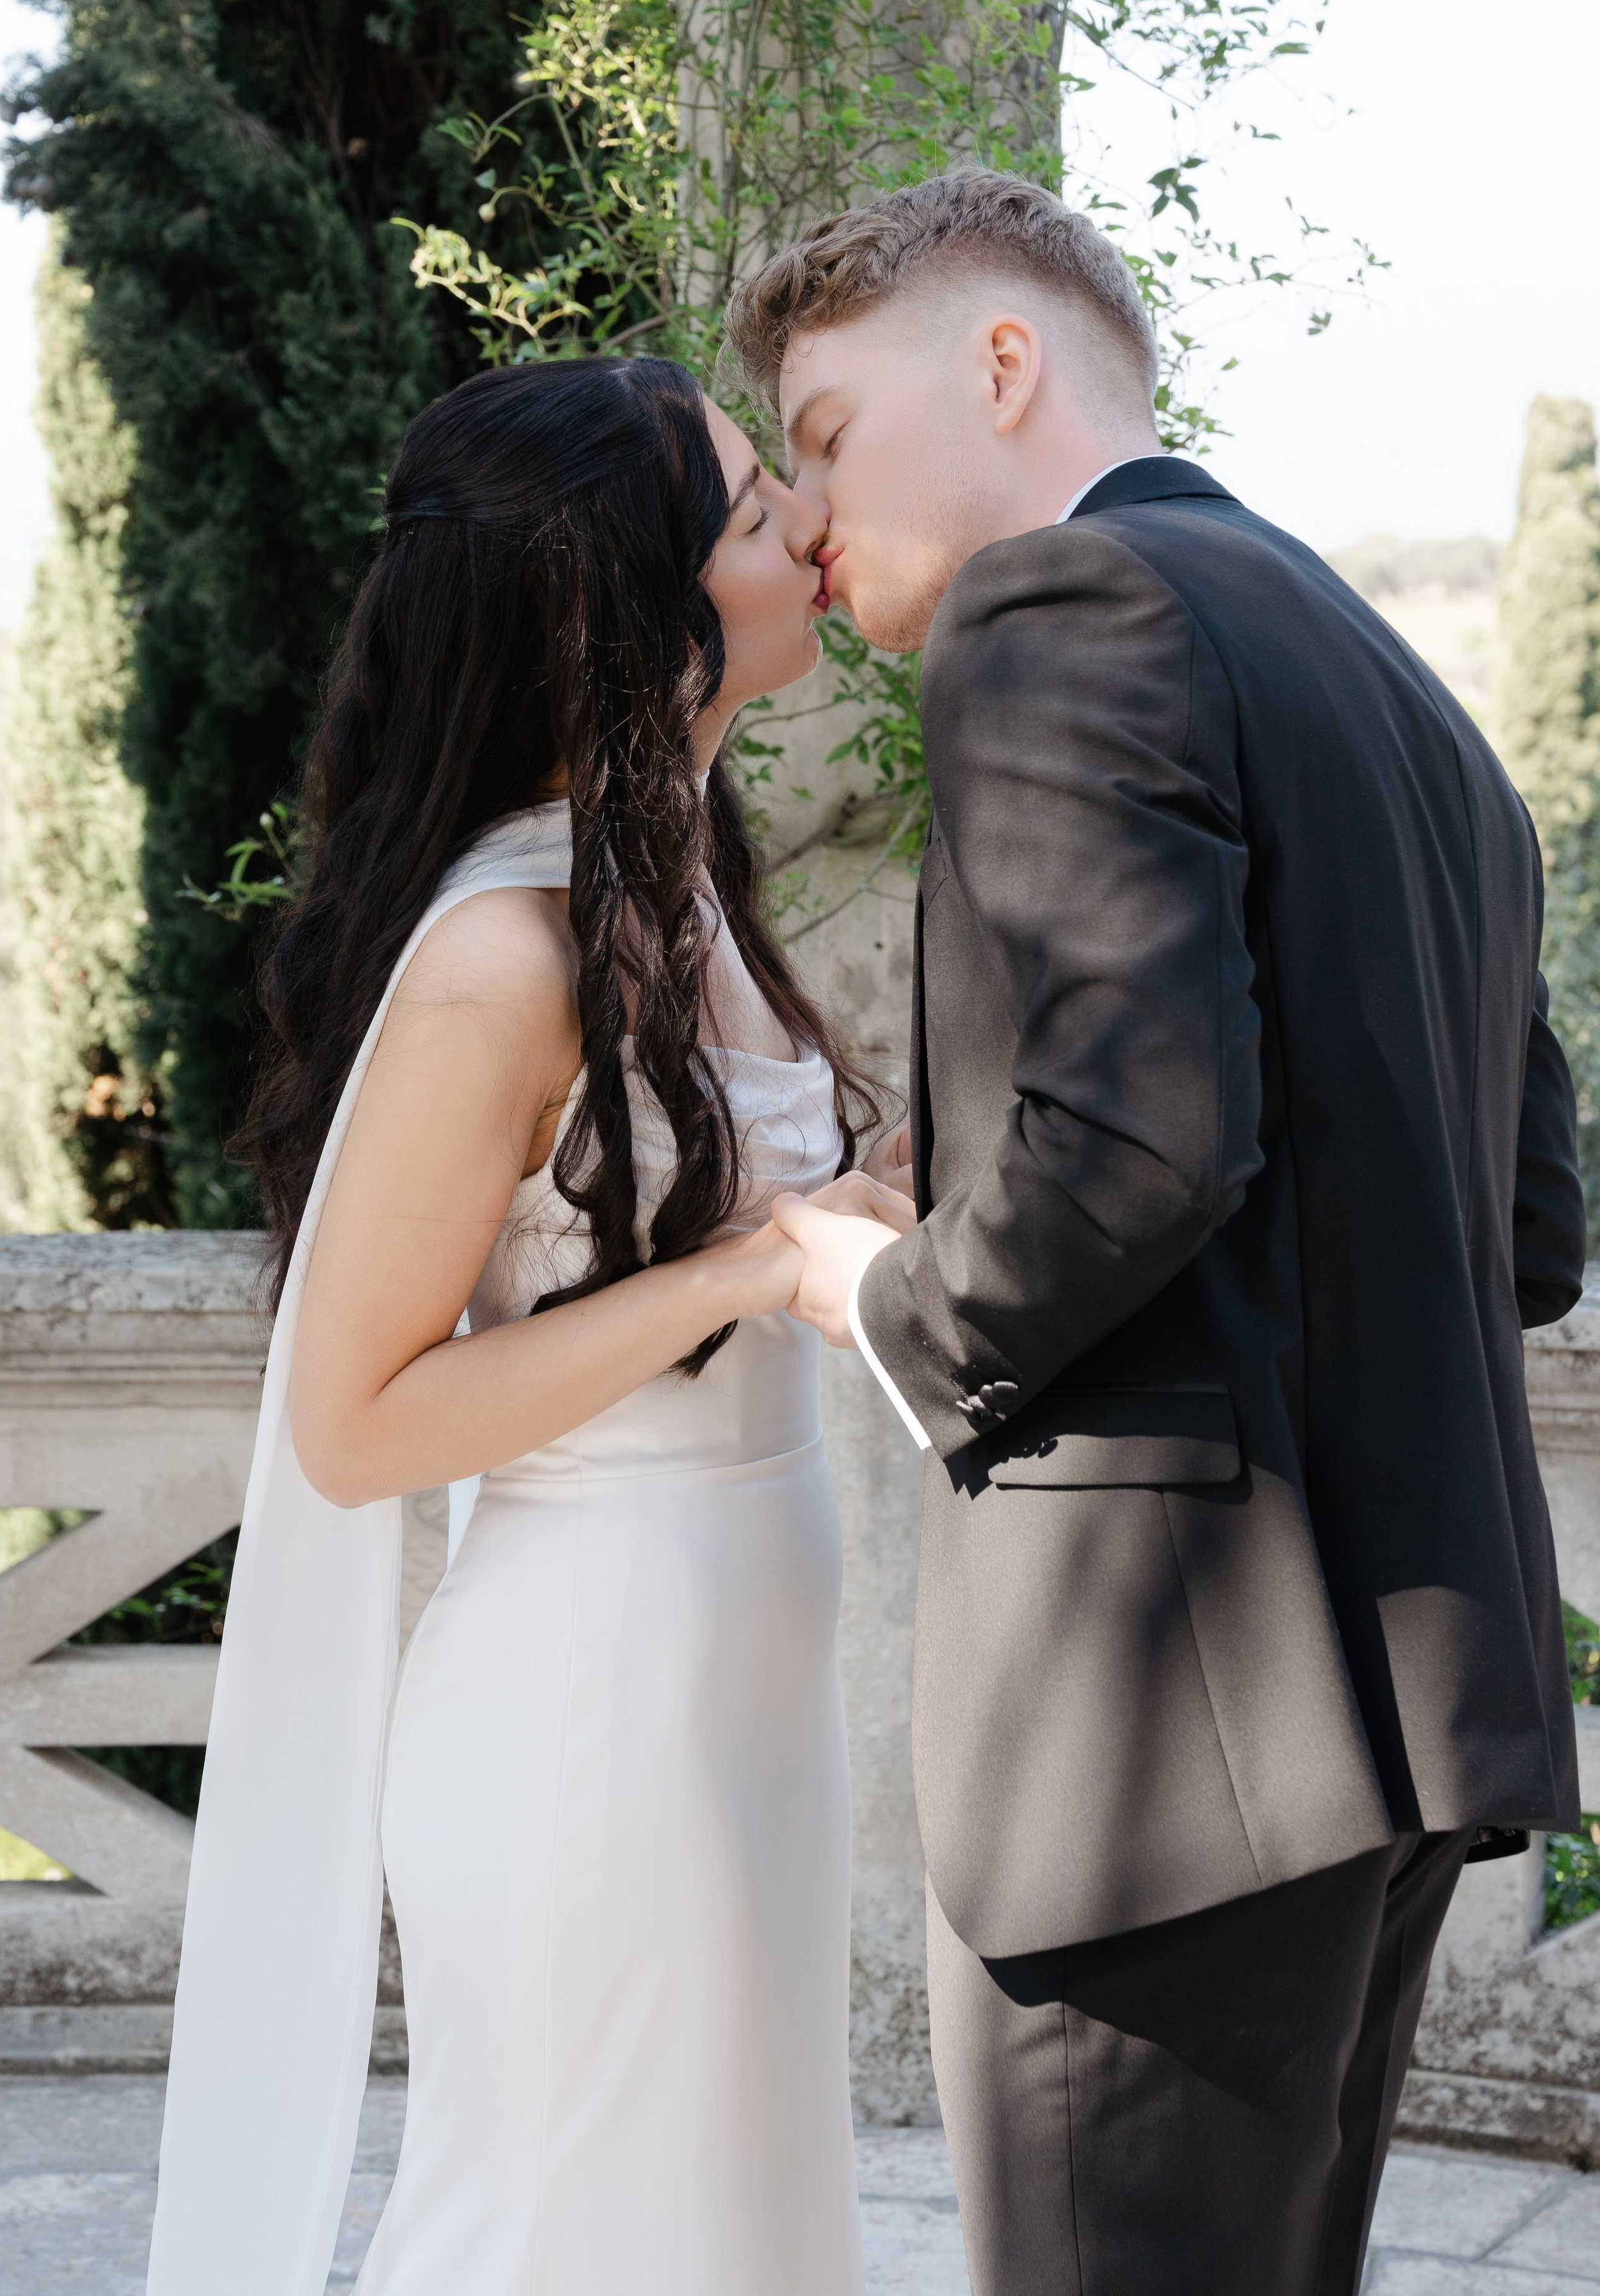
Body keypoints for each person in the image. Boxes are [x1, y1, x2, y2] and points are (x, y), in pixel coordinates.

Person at [727, 170, 1589, 2295]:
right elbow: (1532, 1221)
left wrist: (887, 1293)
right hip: (1383, 1734)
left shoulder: (1060, 609)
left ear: (1004, 362)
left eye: (828, 432)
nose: (815, 517)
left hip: (1159, 1770)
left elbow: (1137, 1142)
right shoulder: (1406, 698)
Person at [145, 356, 882, 2295]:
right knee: (570, 2231)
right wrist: (741, 1271)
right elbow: (360, 1422)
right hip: (595, 1709)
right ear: (612, 606)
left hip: (743, 1686)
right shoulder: (503, 947)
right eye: (745, 511)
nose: (807, 522)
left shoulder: (684, 878)